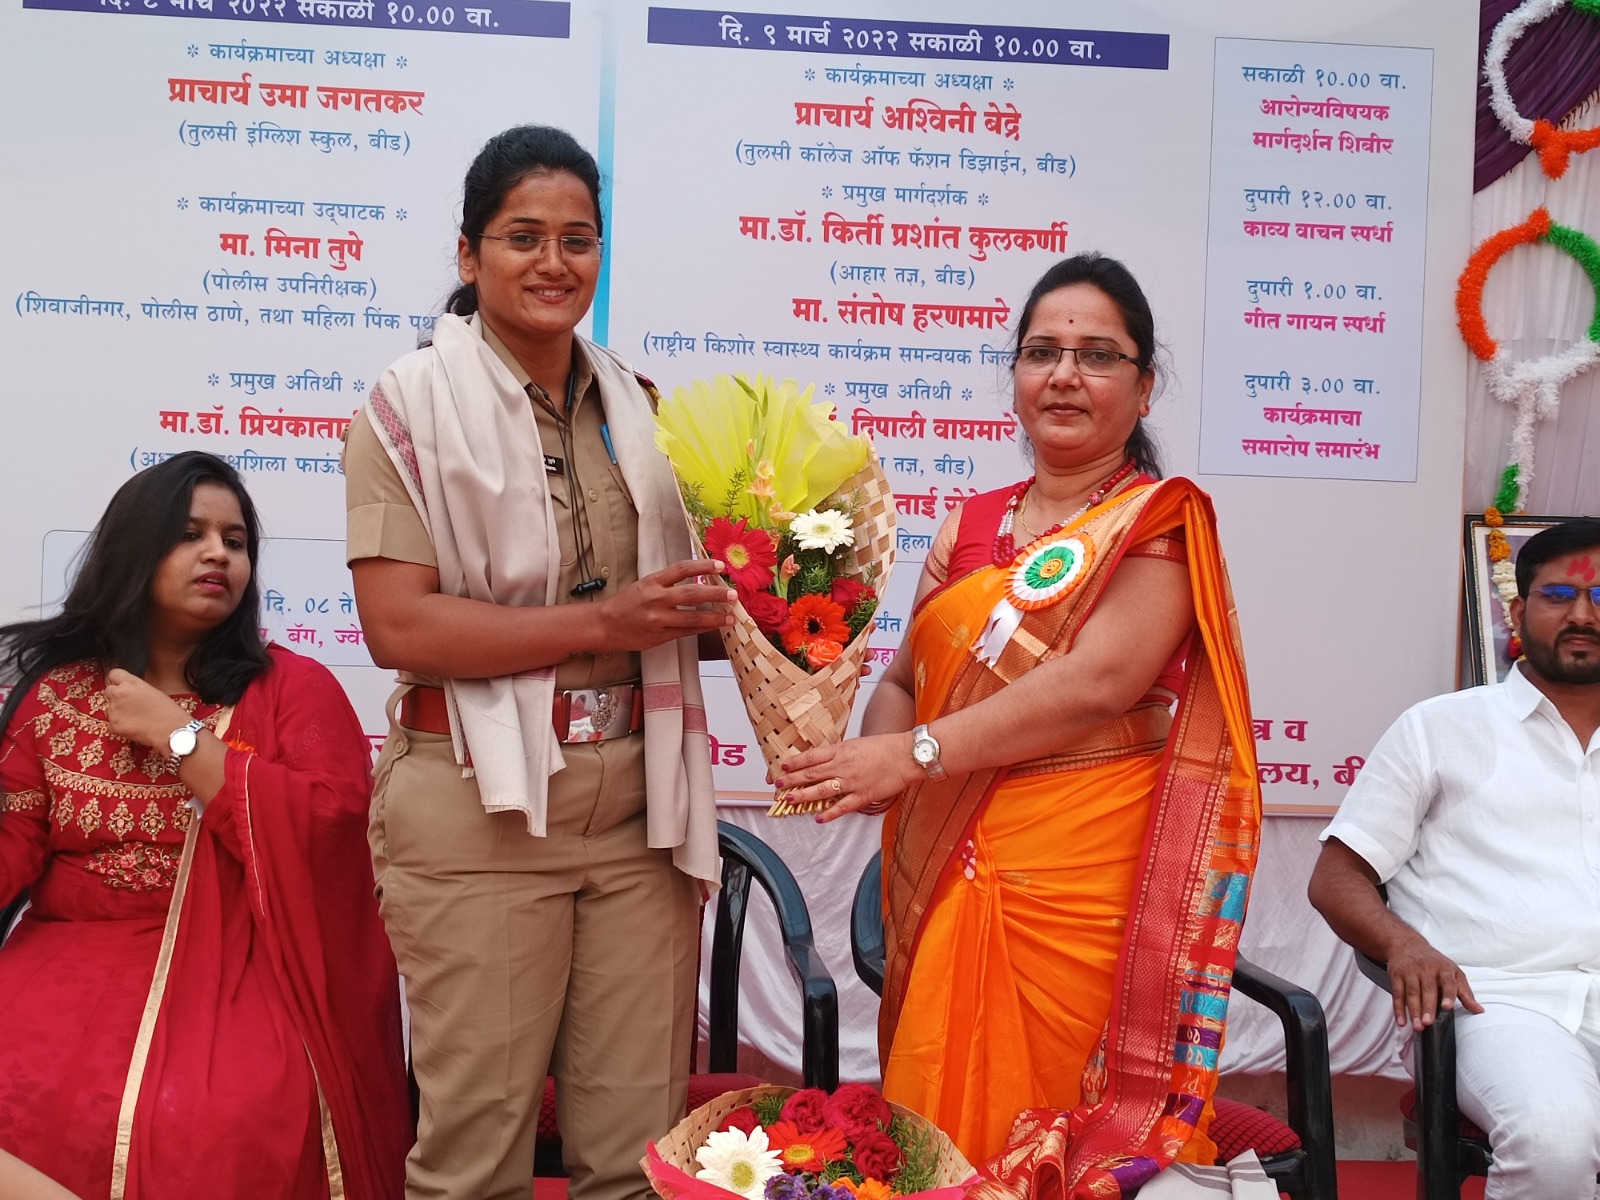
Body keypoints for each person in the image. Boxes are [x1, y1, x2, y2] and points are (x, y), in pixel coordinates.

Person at [778, 253, 1262, 1193]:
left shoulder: (1156, 521)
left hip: (1086, 883)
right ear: (1015, 377)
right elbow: (909, 678)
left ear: (1145, 386)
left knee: (1070, 1141)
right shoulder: (968, 525)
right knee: (943, 1128)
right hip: (948, 858)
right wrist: (862, 756)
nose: (1065, 375)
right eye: (1043, 352)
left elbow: (1097, 683)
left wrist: (912, 756)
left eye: (1098, 355)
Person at [344, 124, 735, 1200]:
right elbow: (401, 629)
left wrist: (784, 609)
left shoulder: (642, 408)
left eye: (578, 239)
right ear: (468, 254)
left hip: (641, 809)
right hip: (479, 805)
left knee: (637, 1162)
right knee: (475, 1163)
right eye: (523, 237)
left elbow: (668, 617)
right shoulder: (406, 408)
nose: (554, 262)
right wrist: (607, 625)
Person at [0, 451, 409, 1199]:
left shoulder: (292, 689)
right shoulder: (55, 692)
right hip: (66, 951)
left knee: (216, 1113)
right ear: (135, 550)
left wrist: (178, 737)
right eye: (190, 534)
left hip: (245, 964)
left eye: (236, 540)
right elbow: (11, 844)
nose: (218, 553)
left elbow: (330, 831)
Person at [1308, 518, 1600, 1200]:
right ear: (1517, 613)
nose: (1584, 615)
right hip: (1500, 1004)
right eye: (1560, 595)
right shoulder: (1440, 728)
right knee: (1555, 1143)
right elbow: (1337, 877)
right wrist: (1403, 944)